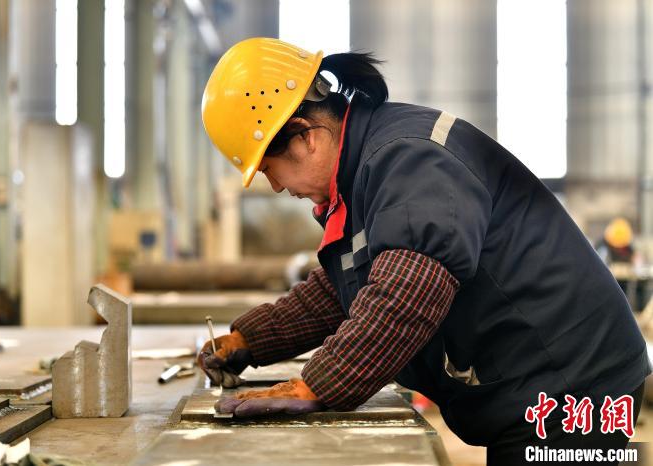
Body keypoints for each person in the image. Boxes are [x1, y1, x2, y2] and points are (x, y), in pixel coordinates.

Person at [197, 38, 650, 465]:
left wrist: (317, 384)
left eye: (270, 168)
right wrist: (251, 339)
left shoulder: (409, 160)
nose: (277, 186)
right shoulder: (365, 172)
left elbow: (406, 295)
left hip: (573, 384)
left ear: (304, 136)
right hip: (541, 380)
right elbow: (344, 290)